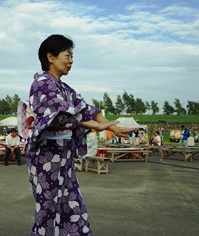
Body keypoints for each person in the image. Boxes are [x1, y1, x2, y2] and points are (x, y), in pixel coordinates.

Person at [24, 34, 136, 235]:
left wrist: (112, 127)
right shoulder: (42, 82)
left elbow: (85, 108)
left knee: (72, 204)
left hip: (64, 156)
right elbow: (63, 110)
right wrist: (97, 126)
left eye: (72, 56)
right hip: (46, 156)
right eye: (67, 55)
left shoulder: (66, 89)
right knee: (48, 208)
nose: (71, 61)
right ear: (50, 57)